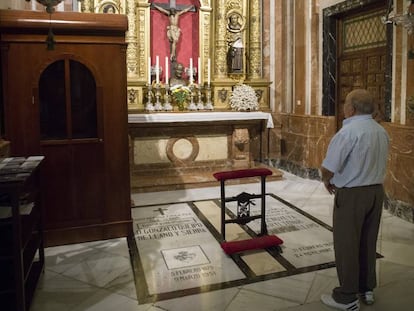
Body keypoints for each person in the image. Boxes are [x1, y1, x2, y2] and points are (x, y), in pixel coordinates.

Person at [320, 89, 389, 311]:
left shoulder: (348, 133)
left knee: (347, 244)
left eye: (345, 104)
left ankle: (347, 296)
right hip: (376, 192)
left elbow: (329, 167)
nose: (343, 108)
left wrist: (327, 181)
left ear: (352, 108)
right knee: (368, 241)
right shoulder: (380, 131)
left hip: (352, 195)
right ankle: (366, 288)